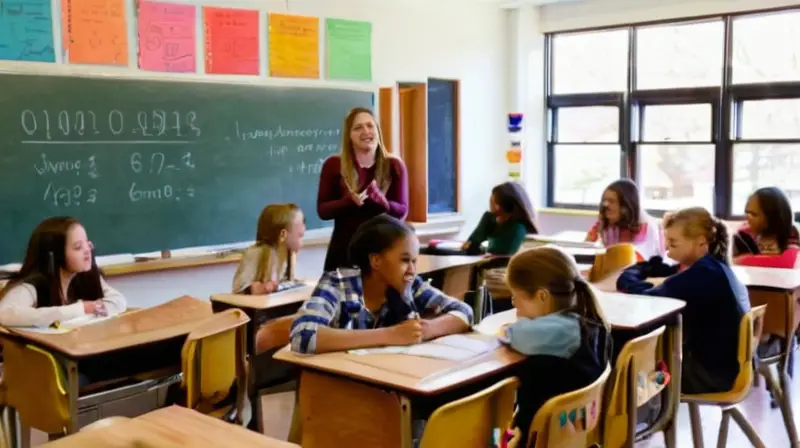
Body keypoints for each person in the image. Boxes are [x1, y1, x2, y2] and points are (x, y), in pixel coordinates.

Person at [289, 214, 472, 355]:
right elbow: (303, 336)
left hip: (388, 382)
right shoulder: (338, 283)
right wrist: (391, 335)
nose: (412, 270)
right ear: (376, 261)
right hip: (342, 388)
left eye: (414, 261)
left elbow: (464, 312)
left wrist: (424, 330)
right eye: (405, 260)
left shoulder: (410, 285)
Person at [617, 207, 750, 394]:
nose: (668, 250)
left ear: (701, 242)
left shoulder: (704, 274)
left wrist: (632, 274)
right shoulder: (716, 267)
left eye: (673, 243)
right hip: (724, 370)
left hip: (705, 375)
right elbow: (670, 278)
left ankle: (633, 414)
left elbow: (643, 297)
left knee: (627, 371)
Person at [502, 246, 610, 447]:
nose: (514, 305)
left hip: (543, 437)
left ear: (542, 296)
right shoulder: (582, 321)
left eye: (515, 296)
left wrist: (506, 330)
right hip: (572, 434)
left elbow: (516, 334)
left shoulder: (559, 330)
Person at [317, 107, 409, 271]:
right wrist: (349, 201)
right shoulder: (333, 165)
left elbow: (402, 211)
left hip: (383, 253)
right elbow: (323, 210)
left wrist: (384, 203)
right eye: (358, 127)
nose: (366, 131)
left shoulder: (394, 165)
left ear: (377, 130)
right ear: (349, 136)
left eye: (370, 125)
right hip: (344, 253)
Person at [0, 216, 126, 327]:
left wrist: (95, 308)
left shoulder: (86, 274)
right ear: (55, 255)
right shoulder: (33, 285)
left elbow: (118, 301)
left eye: (87, 244)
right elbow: (4, 314)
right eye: (78, 247)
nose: (87, 250)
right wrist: (80, 309)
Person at [425, 181, 538, 256]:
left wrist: (482, 245)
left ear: (501, 205)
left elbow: (500, 250)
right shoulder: (491, 219)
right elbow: (471, 245)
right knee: (430, 250)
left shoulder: (517, 228)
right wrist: (486, 220)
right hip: (481, 263)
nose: (490, 202)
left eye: (493, 200)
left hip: (497, 270)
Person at [232, 203, 306, 294]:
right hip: (256, 307)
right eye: (300, 236)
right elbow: (238, 290)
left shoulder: (290, 254)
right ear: (282, 235)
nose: (304, 229)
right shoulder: (255, 253)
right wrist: (254, 289)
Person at [586, 179, 663, 261]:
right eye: (604, 201)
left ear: (626, 205)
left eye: (612, 201)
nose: (606, 205)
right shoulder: (604, 224)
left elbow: (640, 259)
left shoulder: (647, 229)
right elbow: (587, 250)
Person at [733, 186, 800, 268]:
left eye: (754, 214)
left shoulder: (791, 232)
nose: (747, 218)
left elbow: (787, 262)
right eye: (747, 213)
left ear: (773, 217)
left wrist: (742, 260)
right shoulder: (742, 235)